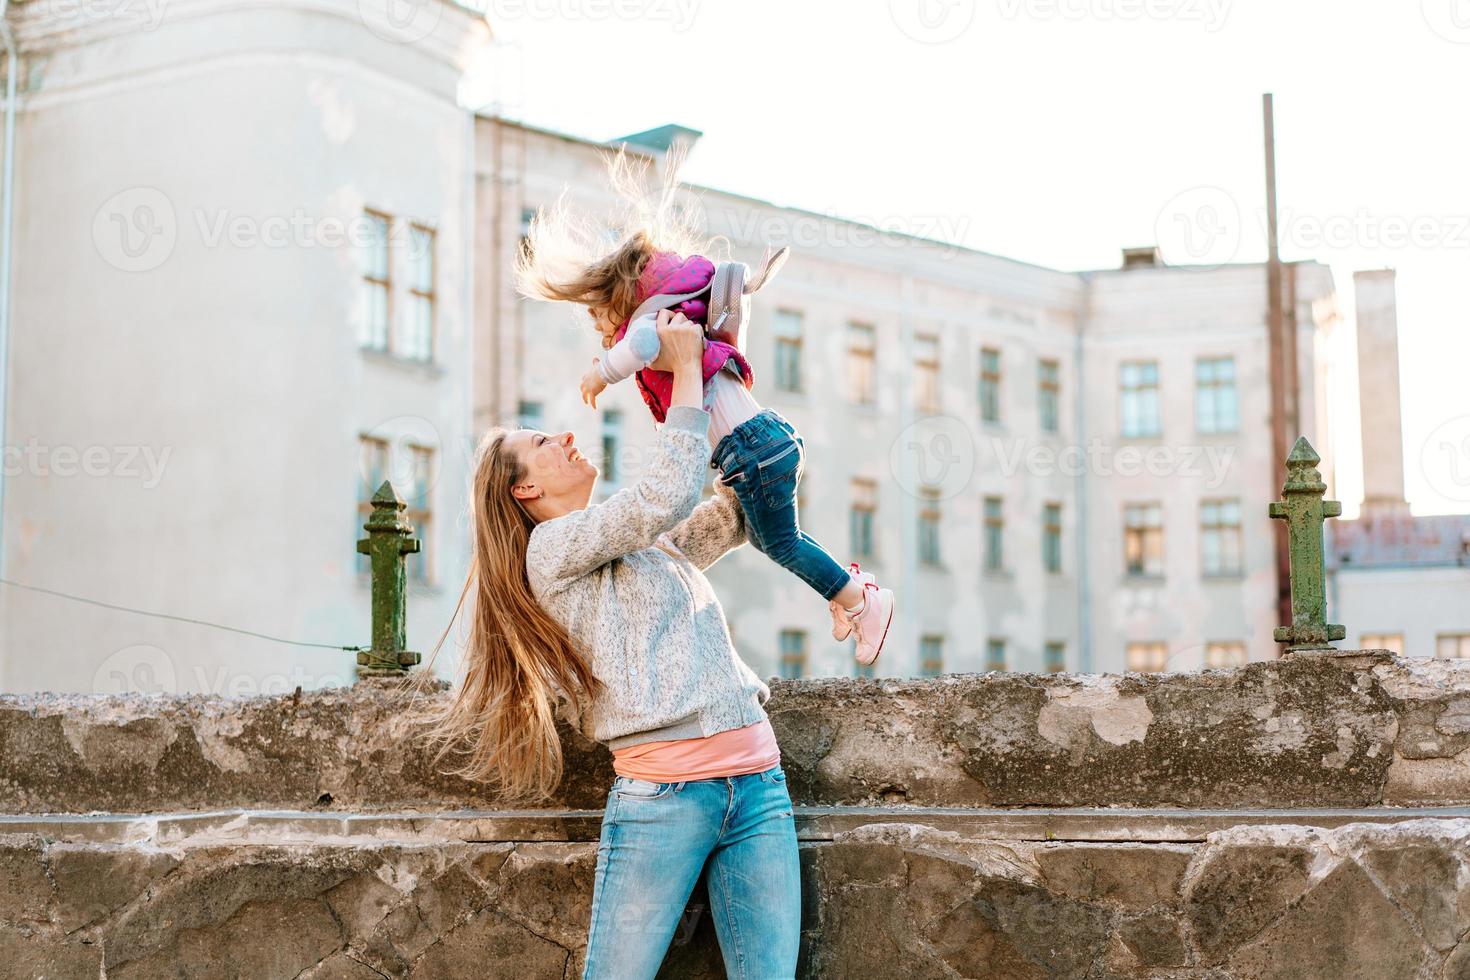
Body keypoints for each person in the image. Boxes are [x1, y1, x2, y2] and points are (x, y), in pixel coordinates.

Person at [413, 311, 802, 979]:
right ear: (525, 489)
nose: (565, 436)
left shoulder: (634, 549)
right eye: (542, 441)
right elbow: (664, 495)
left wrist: (765, 455)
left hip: (758, 782)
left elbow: (728, 520)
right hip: (666, 798)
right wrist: (681, 368)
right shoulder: (551, 550)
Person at [514, 149, 894, 665]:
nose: (602, 330)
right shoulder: (685, 320)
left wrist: (600, 372)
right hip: (758, 445)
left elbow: (639, 354)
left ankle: (859, 599)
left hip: (751, 449)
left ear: (615, 299)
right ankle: (844, 589)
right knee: (769, 538)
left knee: (782, 544)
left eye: (599, 317)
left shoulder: (655, 324)